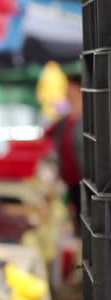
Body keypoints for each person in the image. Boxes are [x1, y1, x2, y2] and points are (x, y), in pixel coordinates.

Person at [44, 73, 83, 223]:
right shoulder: (64, 122)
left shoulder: (91, 121)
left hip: (88, 182)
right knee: (78, 219)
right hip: (70, 181)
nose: (67, 92)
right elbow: (46, 138)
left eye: (71, 87)